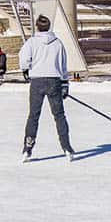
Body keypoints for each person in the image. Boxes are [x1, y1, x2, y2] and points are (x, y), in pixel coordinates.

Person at [18, 15, 74, 162]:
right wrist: (64, 83)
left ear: (37, 27)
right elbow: (63, 65)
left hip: (37, 81)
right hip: (54, 80)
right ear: (49, 27)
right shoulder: (58, 43)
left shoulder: (31, 42)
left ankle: (27, 148)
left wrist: (26, 69)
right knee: (59, 115)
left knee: (34, 116)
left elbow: (23, 59)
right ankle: (66, 147)